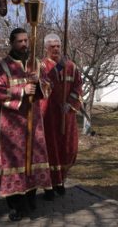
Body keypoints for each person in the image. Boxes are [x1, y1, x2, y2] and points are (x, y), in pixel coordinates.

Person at [0, 28, 52, 221]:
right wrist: (22, 90)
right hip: (12, 123)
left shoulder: (36, 63)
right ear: (12, 43)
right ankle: (16, 204)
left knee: (33, 158)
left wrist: (39, 83)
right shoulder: (3, 66)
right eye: (20, 41)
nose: (24, 44)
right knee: (15, 161)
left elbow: (48, 85)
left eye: (26, 41)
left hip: (33, 121)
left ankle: (30, 196)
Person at [39, 34, 83, 200]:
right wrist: (58, 68)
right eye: (52, 46)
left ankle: (61, 181)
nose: (56, 49)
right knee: (50, 150)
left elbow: (78, 86)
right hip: (48, 117)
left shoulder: (71, 66)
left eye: (58, 46)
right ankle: (49, 186)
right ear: (46, 48)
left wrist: (70, 102)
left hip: (66, 116)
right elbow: (44, 84)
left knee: (67, 149)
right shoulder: (41, 66)